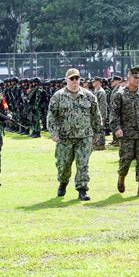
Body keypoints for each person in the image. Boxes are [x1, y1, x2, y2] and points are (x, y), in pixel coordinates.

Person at [47, 68, 102, 201]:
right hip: (65, 137)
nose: (74, 81)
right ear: (66, 80)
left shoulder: (89, 96)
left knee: (83, 164)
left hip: (84, 136)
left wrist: (97, 134)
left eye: (77, 78)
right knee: (64, 164)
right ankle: (63, 183)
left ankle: (82, 189)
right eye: (71, 78)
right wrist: (54, 133)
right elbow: (51, 116)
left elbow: (96, 115)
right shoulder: (58, 96)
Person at [110, 66, 139, 197]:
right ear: (129, 78)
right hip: (127, 133)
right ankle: (121, 177)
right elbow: (114, 115)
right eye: (135, 77)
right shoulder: (119, 94)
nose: (138, 79)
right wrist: (117, 129)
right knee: (125, 159)